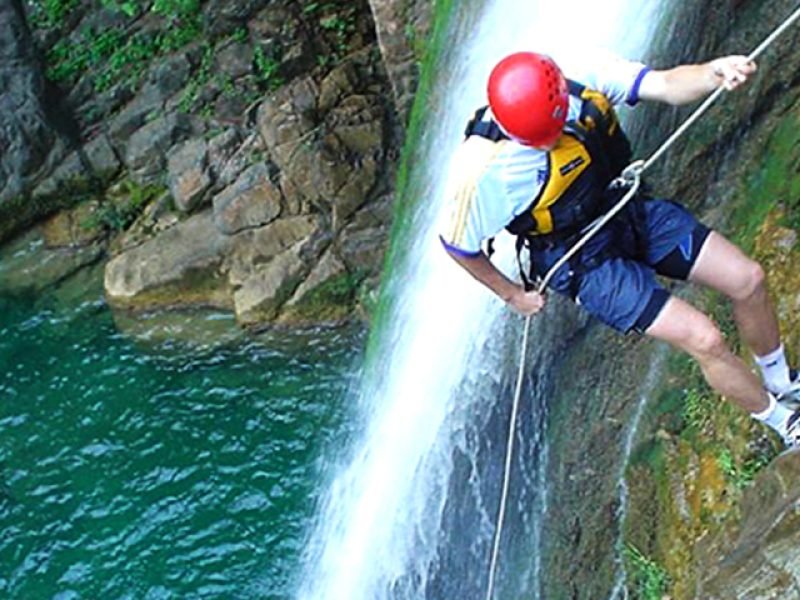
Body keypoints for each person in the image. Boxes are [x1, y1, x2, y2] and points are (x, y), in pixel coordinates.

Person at [440, 50, 800, 448]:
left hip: (625, 211)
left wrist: (713, 73)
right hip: (582, 261)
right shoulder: (481, 172)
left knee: (747, 279)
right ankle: (785, 423)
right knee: (705, 338)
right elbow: (458, 245)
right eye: (539, 141)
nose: (550, 143)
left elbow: (665, 84)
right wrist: (512, 295)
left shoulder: (579, 81)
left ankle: (782, 380)